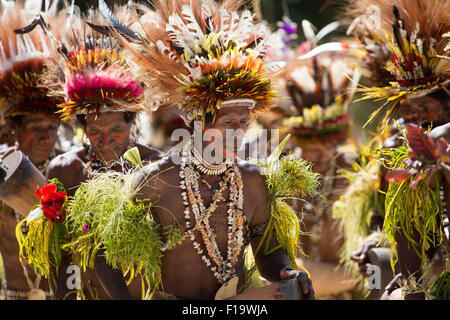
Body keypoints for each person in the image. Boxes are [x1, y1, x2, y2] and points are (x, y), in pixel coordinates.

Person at [89, 0, 317, 300]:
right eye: (227, 123)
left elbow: (268, 253)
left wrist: (287, 271)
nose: (238, 133)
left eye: (243, 122)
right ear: (196, 122)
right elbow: (101, 253)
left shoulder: (252, 181)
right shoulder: (156, 180)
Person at [16, 3, 164, 300]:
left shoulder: (156, 166)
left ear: (132, 124)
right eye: (95, 133)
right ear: (83, 130)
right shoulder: (65, 169)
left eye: (115, 131)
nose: (106, 142)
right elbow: (57, 253)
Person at [341, 0, 450, 300]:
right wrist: (375, 240)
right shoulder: (394, 152)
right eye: (405, 111)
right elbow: (382, 220)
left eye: (424, 109)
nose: (412, 119)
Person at [0, 0, 63, 300]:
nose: (46, 137)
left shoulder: (70, 171)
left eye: (53, 128)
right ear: (12, 128)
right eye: (36, 127)